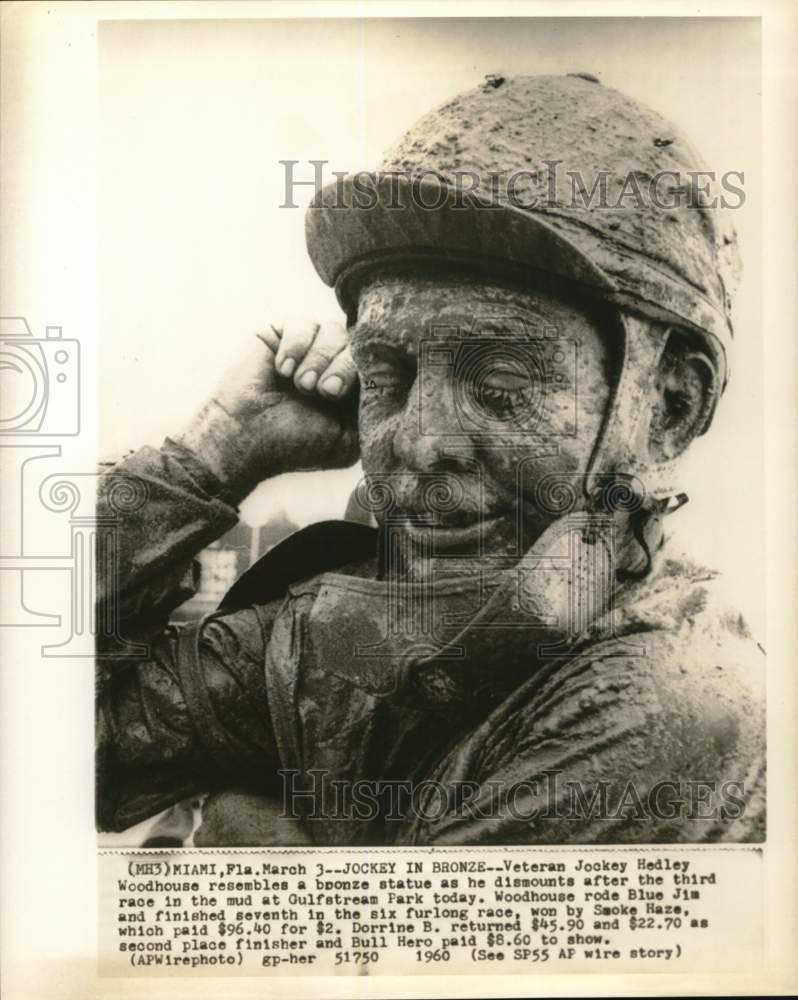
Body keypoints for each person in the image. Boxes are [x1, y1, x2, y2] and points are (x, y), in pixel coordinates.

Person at [96, 74, 764, 846]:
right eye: (388, 376)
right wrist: (214, 449)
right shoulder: (339, 636)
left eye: (501, 382)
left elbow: (431, 964)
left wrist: (262, 855)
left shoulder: (675, 700)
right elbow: (51, 756)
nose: (418, 441)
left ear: (668, 408)